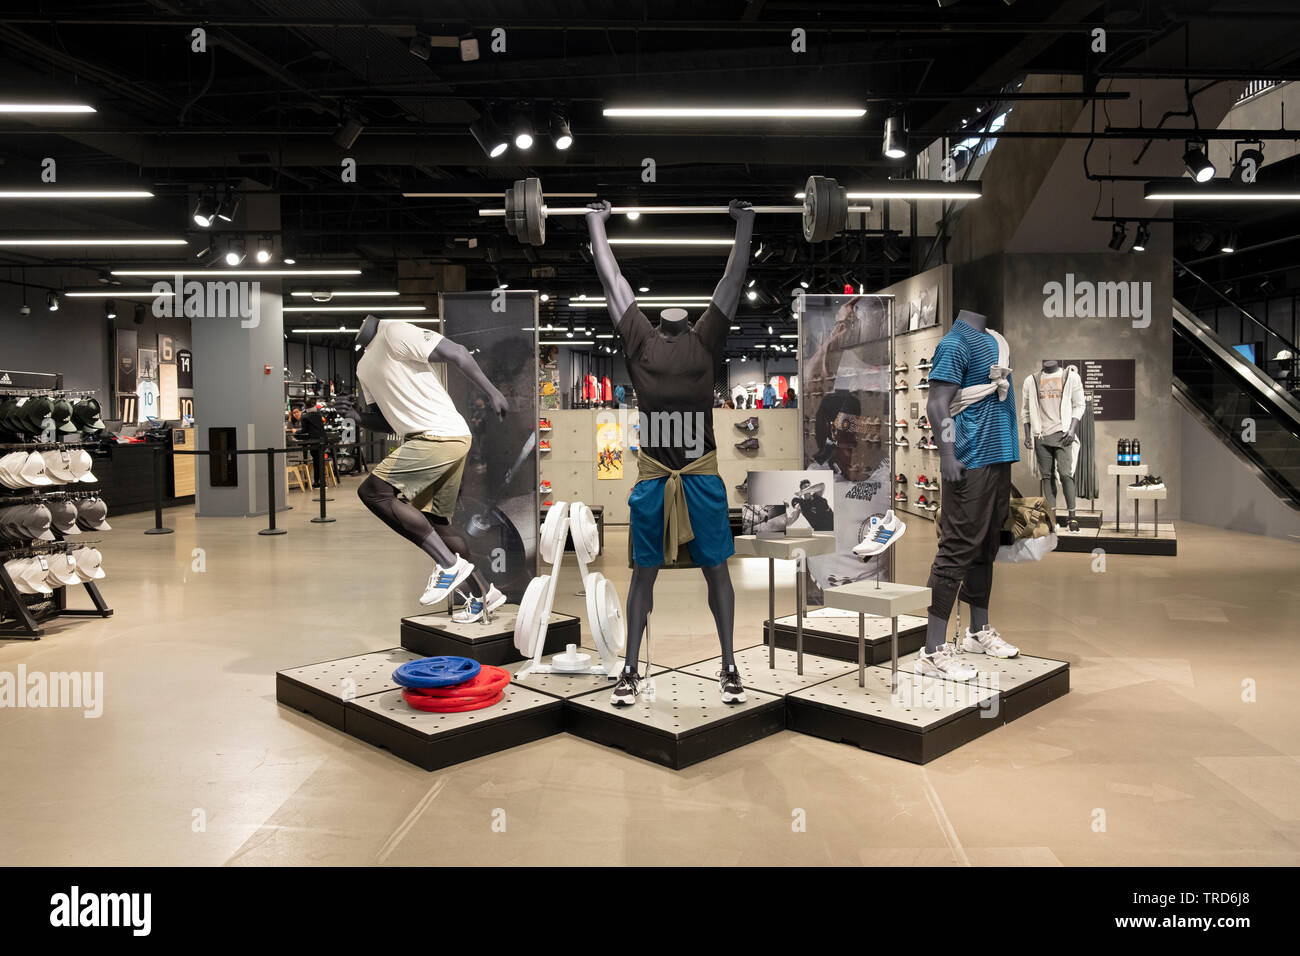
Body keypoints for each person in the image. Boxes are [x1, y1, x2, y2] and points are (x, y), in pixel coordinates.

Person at [585, 197, 754, 708]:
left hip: (701, 477)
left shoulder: (706, 338)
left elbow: (732, 278)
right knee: (642, 573)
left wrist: (745, 225)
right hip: (654, 479)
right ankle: (631, 670)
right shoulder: (639, 337)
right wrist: (595, 224)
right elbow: (613, 279)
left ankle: (728, 664)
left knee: (717, 570)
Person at [341, 315, 509, 620]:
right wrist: (359, 417)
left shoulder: (393, 331)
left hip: (440, 434)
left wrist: (492, 391)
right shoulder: (363, 367)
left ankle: (448, 565)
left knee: (374, 491)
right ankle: (485, 592)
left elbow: (456, 351)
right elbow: (388, 420)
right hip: (432, 437)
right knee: (439, 525)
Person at [296, 403, 329, 487]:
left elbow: (304, 430)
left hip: (314, 441)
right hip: (323, 440)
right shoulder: (318, 414)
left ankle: (319, 482)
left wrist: (295, 431)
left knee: (316, 461)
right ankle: (320, 482)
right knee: (320, 461)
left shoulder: (305, 417)